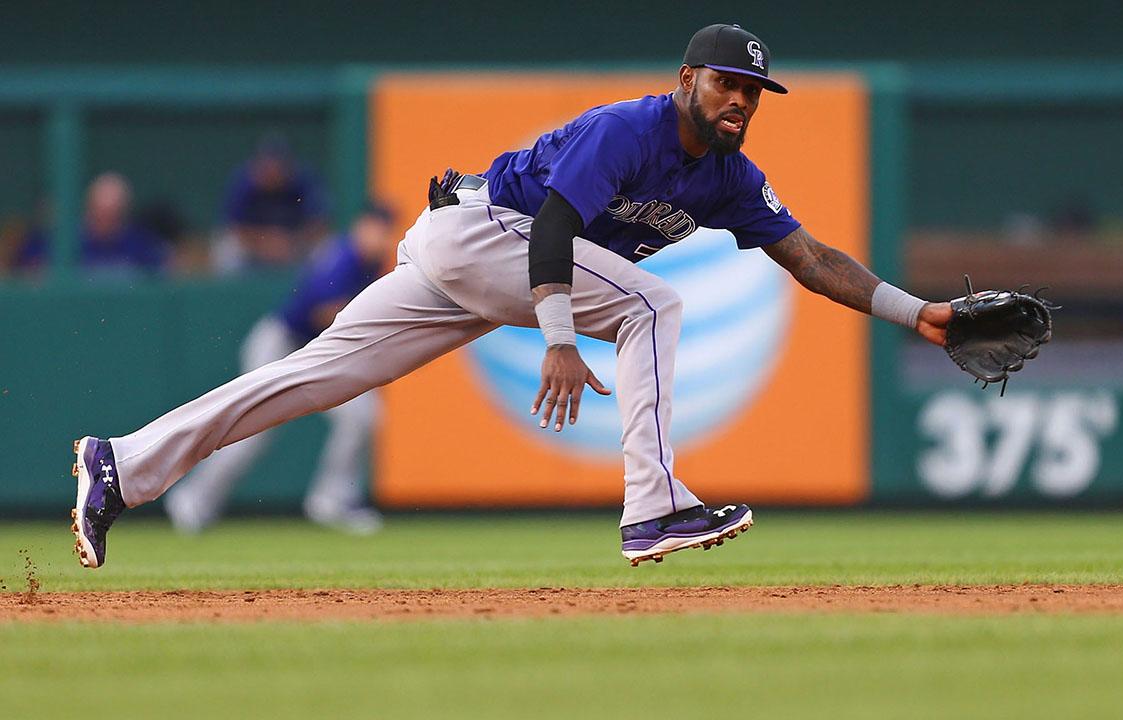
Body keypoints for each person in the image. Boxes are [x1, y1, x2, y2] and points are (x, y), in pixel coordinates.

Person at [68, 23, 953, 570]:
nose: (741, 101)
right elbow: (555, 224)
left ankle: (123, 464)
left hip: (476, 260)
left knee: (312, 379)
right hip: (488, 232)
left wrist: (918, 315)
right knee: (654, 306)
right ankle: (651, 509)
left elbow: (810, 257)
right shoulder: (630, 128)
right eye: (728, 83)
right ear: (687, 78)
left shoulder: (730, 176)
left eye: (754, 92)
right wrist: (562, 337)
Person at [163, 204, 398, 535]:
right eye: (375, 227)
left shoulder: (372, 263)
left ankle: (332, 497)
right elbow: (323, 311)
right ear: (360, 226)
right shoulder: (343, 256)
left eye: (385, 229)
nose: (380, 236)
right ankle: (193, 499)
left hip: (317, 351)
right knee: (252, 431)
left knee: (363, 414)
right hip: (280, 343)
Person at [14, 174, 168, 277]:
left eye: (113, 215)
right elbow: (27, 268)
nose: (106, 220)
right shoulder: (63, 239)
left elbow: (166, 270)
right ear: (89, 209)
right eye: (100, 213)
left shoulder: (139, 242)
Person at [216, 136, 329, 271]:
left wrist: (291, 241)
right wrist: (266, 243)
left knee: (326, 249)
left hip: (295, 244)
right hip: (255, 245)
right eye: (268, 165)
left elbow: (319, 224)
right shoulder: (244, 182)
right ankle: (234, 292)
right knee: (228, 249)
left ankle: (320, 291)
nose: (273, 170)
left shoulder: (302, 181)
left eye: (277, 165)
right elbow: (234, 227)